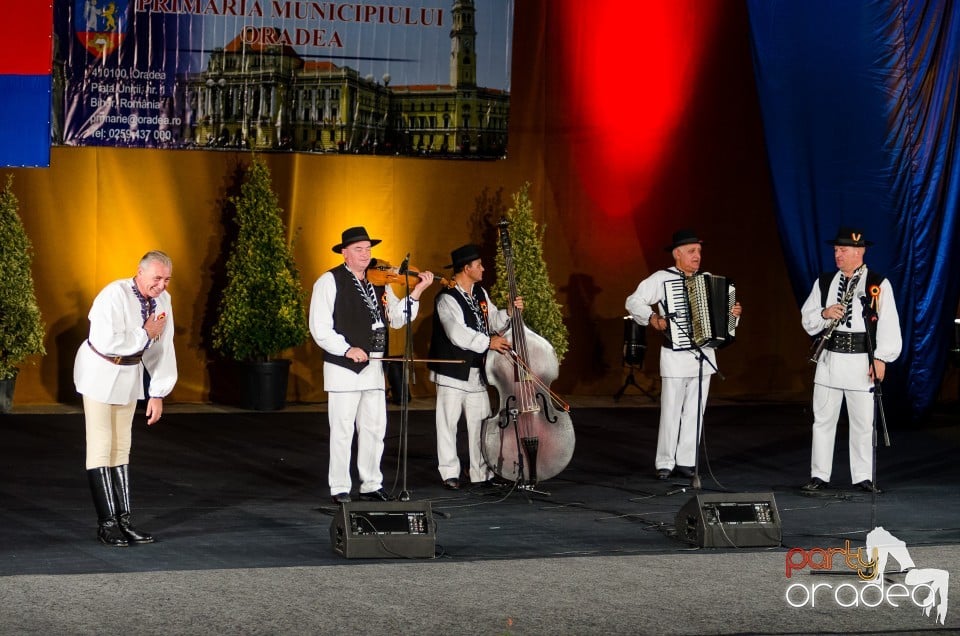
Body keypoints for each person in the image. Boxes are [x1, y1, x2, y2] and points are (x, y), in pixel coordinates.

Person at [309, 226, 434, 504]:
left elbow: (398, 318)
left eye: (367, 249)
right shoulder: (329, 281)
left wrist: (417, 292)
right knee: (342, 430)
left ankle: (371, 483)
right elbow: (320, 328)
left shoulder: (380, 281)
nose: (365, 254)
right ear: (344, 253)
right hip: (344, 369)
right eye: (358, 249)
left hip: (375, 367)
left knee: (375, 428)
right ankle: (340, 486)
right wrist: (346, 349)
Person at [74, 250, 177, 547]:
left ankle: (125, 521)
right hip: (100, 372)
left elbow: (162, 348)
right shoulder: (113, 295)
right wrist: (144, 333)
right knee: (101, 445)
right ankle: (106, 524)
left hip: (129, 376)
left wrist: (157, 393)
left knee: (122, 447)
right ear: (140, 272)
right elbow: (106, 341)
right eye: (157, 278)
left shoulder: (163, 301)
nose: (162, 285)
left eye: (167, 279)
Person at [625, 229, 742, 480]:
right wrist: (652, 318)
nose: (697, 256)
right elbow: (633, 301)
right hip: (675, 356)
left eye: (699, 251)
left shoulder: (709, 279)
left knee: (695, 411)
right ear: (677, 254)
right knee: (671, 410)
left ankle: (687, 460)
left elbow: (724, 320)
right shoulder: (661, 278)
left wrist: (733, 314)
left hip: (703, 354)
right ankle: (664, 462)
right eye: (691, 251)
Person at [800, 227, 901, 493]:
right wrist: (824, 312)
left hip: (859, 361)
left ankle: (863, 476)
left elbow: (889, 324)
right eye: (836, 250)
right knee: (822, 420)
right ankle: (819, 474)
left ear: (860, 251)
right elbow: (807, 319)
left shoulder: (877, 284)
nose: (838, 255)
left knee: (862, 423)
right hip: (830, 359)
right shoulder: (824, 282)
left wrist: (881, 358)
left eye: (843, 250)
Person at [427, 244, 522, 490]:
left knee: (480, 424)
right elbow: (457, 333)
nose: (483, 268)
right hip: (451, 372)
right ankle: (449, 472)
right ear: (466, 268)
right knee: (447, 423)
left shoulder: (479, 293)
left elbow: (491, 320)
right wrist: (488, 342)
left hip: (475, 371)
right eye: (478, 264)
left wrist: (508, 312)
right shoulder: (447, 298)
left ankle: (481, 473)